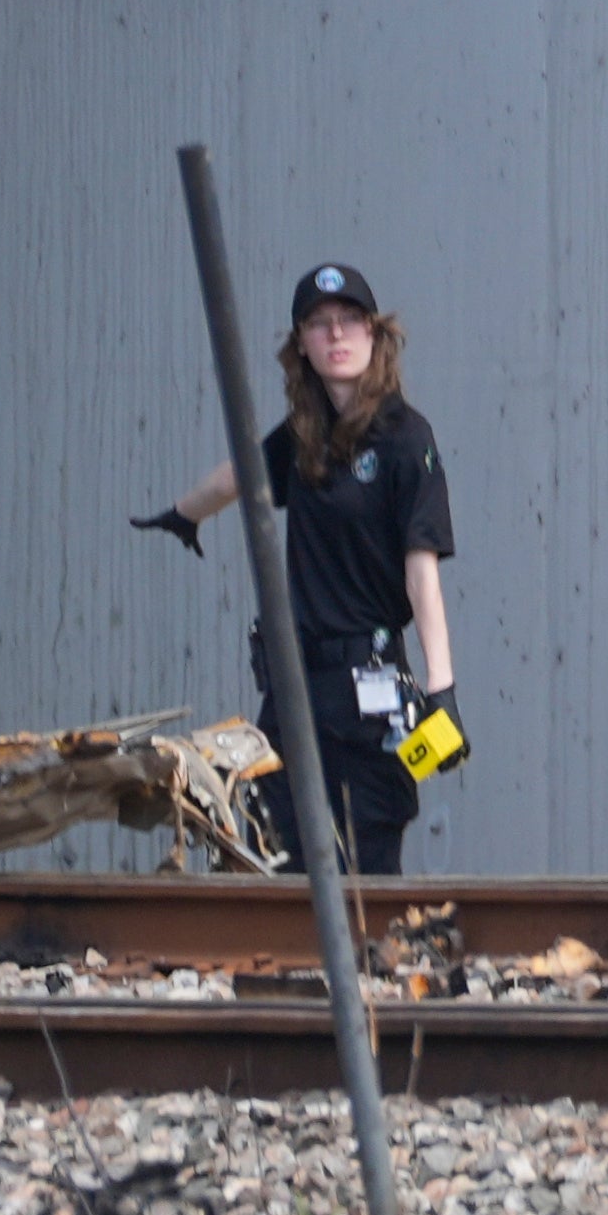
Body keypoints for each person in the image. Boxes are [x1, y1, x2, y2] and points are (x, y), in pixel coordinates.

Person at [132, 261, 457, 874]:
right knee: (280, 844)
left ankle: (364, 971)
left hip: (372, 683)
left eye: (350, 322)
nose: (337, 336)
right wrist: (184, 515)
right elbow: (241, 475)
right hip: (296, 686)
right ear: (301, 345)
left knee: (367, 853)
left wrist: (442, 690)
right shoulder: (306, 436)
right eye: (320, 324)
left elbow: (423, 573)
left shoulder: (407, 440)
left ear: (375, 334)